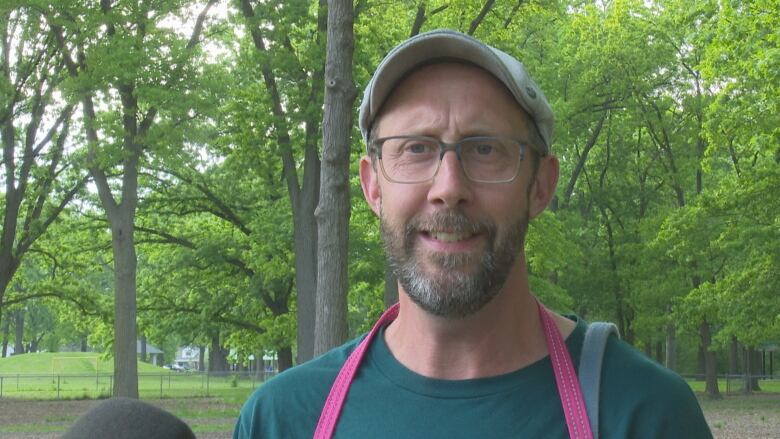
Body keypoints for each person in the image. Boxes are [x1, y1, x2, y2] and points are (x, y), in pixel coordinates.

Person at [233, 29, 712, 438]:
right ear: (373, 184)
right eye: (415, 148)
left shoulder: (646, 414)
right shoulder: (283, 419)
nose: (449, 188)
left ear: (541, 185)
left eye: (485, 150)